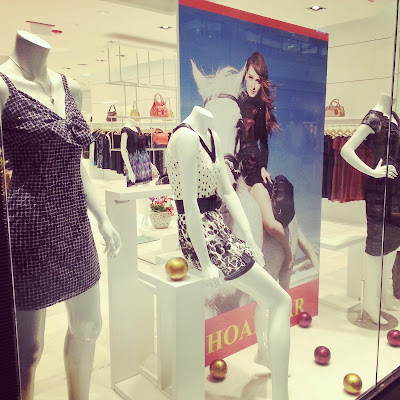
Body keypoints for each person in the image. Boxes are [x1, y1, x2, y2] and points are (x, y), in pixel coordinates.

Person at [0, 31, 121, 400]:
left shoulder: (71, 88)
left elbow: (76, 162)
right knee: (27, 351)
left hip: (74, 224)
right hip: (27, 226)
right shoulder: (3, 88)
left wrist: (101, 216)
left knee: (89, 325)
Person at [167, 105, 291, 400]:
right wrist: (205, 260)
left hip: (218, 228)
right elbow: (190, 203)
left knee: (268, 298)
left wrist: (248, 237)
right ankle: (281, 394)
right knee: (281, 300)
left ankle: (265, 353)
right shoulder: (185, 138)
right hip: (200, 233)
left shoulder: (212, 136)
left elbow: (227, 191)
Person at [235, 52, 292, 269]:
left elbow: (263, 143)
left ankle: (287, 251)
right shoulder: (234, 101)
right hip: (232, 170)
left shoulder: (260, 108)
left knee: (270, 224)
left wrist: (262, 168)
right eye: (250, 78)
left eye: (258, 80)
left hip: (252, 173)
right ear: (244, 76)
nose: (253, 85)